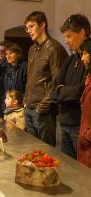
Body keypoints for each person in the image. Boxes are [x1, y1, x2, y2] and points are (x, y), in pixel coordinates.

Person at [24, 11, 68, 147]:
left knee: (45, 151)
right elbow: (30, 78)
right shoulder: (32, 49)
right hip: (29, 107)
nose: (28, 31)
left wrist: (41, 107)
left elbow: (58, 81)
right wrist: (26, 102)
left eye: (31, 26)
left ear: (42, 25)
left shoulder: (54, 48)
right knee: (31, 150)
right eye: (27, 28)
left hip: (43, 110)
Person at [52, 14, 90, 158]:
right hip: (64, 121)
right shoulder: (71, 59)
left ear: (82, 33)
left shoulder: (87, 60)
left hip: (79, 125)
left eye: (69, 36)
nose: (66, 41)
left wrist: (62, 90)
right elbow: (53, 89)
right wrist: (63, 91)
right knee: (67, 169)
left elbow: (81, 92)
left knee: (82, 172)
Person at [76, 38, 91, 168]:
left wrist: (87, 135)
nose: (82, 58)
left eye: (86, 53)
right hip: (85, 144)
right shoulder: (89, 77)